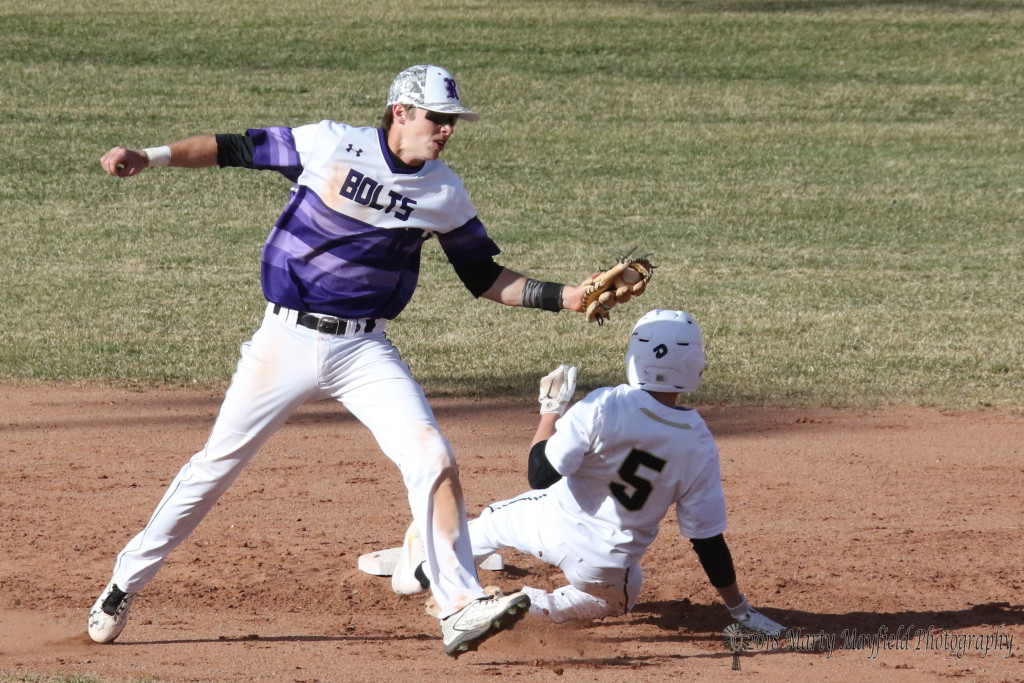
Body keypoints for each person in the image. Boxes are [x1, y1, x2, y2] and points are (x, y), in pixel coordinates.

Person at [89, 64, 589, 658]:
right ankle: (124, 583)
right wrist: (150, 155)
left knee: (434, 457)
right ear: (400, 112)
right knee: (214, 467)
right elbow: (233, 148)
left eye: (452, 121)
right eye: (438, 118)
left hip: (363, 349)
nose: (447, 131)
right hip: (285, 340)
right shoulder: (329, 142)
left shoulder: (443, 192)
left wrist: (567, 297)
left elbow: (482, 277)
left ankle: (457, 606)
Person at [391, 309, 785, 635]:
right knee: (617, 600)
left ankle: (428, 569)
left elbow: (540, 474)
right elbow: (707, 541)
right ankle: (533, 609)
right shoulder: (698, 444)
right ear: (695, 363)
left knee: (488, 522)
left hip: (545, 526)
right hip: (603, 564)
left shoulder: (604, 405)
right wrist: (740, 610)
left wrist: (551, 409)